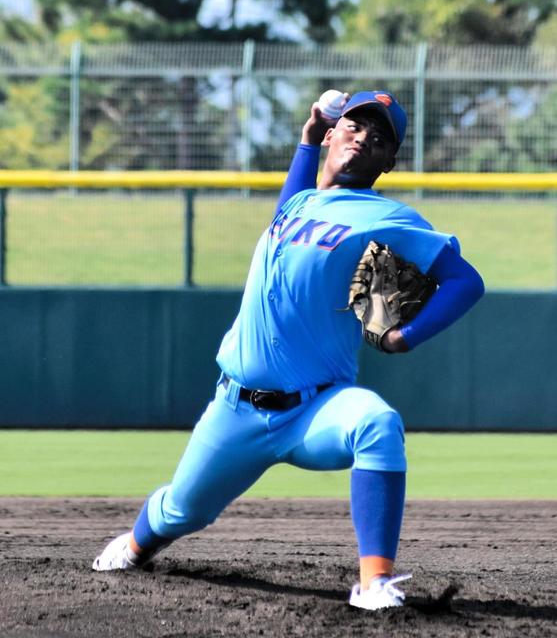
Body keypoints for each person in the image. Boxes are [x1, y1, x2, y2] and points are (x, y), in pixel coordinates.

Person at [92, 90, 484, 611]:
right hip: (235, 410)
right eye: (354, 125)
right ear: (331, 134)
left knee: (377, 424)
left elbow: (465, 281)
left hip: (316, 408)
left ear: (388, 161)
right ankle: (136, 546)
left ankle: (375, 584)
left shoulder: (386, 216)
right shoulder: (298, 206)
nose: (364, 136)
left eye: (380, 137)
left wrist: (403, 336)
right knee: (181, 512)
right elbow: (287, 209)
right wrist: (305, 141)